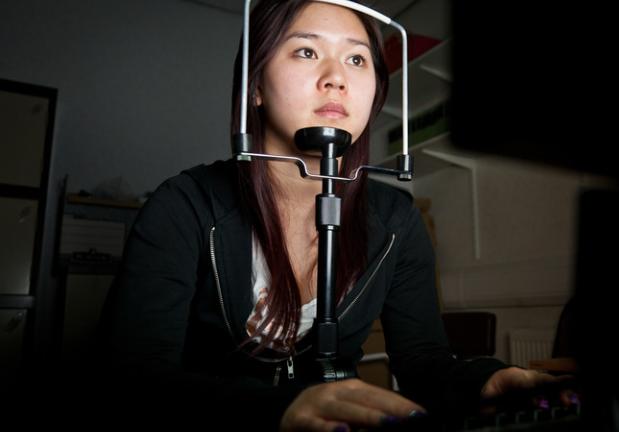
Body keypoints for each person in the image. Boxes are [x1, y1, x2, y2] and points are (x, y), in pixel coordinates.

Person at [98, 1, 562, 430]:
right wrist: (277, 410)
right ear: (255, 86)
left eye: (357, 59)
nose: (336, 77)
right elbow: (135, 380)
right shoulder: (185, 205)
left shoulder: (396, 221)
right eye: (305, 51)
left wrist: (484, 381)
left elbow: (422, 361)